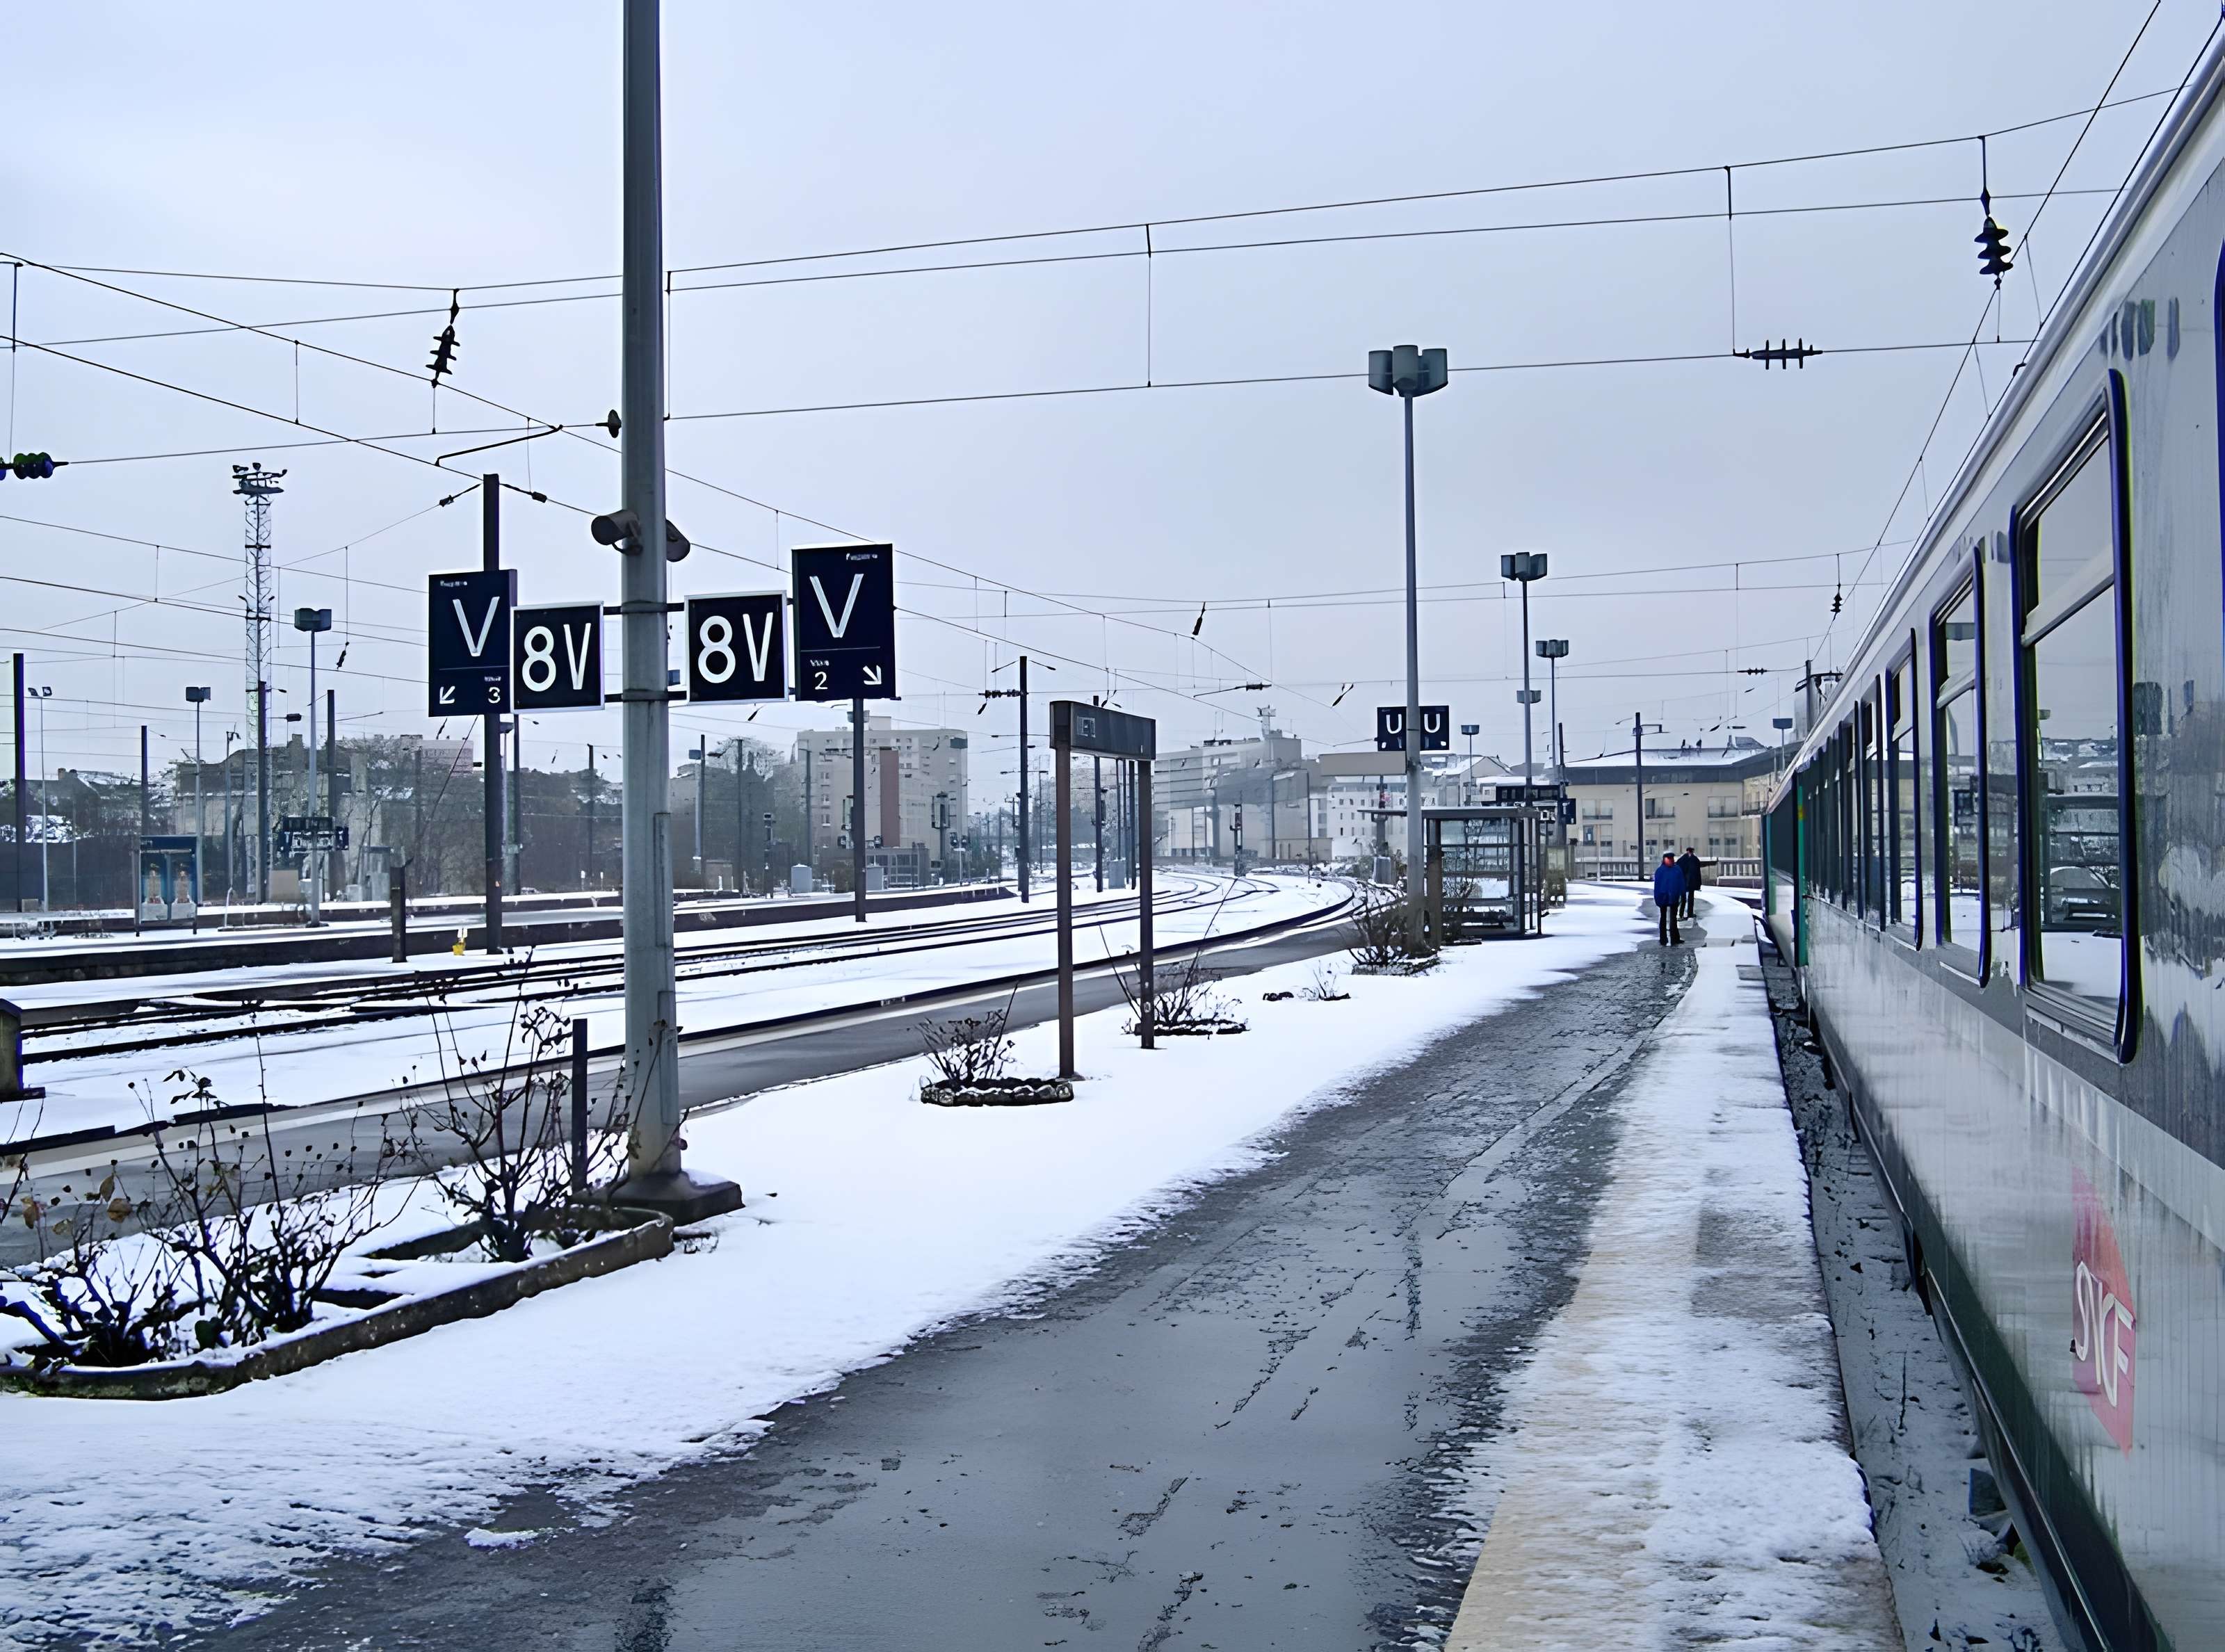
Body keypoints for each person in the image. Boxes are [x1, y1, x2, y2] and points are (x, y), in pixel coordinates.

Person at [1651, 852, 1683, 946]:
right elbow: (1657, 886)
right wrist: (1657, 898)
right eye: (1669, 859)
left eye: (1671, 859)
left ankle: (1673, 938)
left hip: (1673, 896)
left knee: (1672, 918)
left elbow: (1681, 883)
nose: (1670, 861)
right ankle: (1665, 939)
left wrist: (1682, 894)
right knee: (1665, 918)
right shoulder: (1663, 870)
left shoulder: (1674, 870)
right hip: (1664, 897)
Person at [1678, 847, 1704, 921]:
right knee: (1690, 899)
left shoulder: (1681, 860)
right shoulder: (1695, 860)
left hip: (1684, 882)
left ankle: (1681, 914)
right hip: (1691, 883)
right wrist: (1699, 884)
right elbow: (1698, 874)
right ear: (1692, 852)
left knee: (1683, 899)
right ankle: (1689, 914)